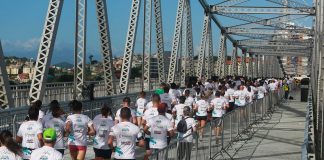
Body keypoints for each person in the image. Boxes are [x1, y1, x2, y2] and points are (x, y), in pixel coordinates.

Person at [142, 94, 160, 160]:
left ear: (152, 101)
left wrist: (147, 132)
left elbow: (143, 122)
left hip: (148, 135)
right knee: (158, 154)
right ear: (159, 101)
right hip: (158, 136)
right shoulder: (160, 111)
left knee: (148, 153)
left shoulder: (147, 111)